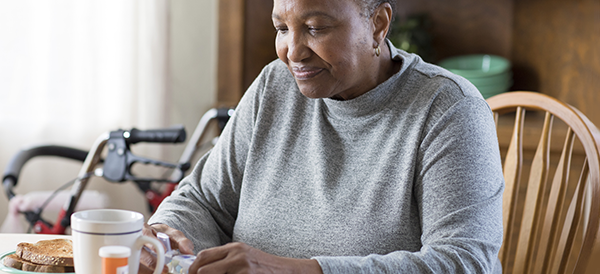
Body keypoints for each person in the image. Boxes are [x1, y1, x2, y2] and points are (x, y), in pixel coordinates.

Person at [140, 0, 505, 273]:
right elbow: (204, 199)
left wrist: (298, 270)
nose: (293, 53)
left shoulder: (448, 109)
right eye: (282, 28)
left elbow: (463, 261)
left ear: (378, 24)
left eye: (315, 28)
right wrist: (165, 234)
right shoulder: (274, 85)